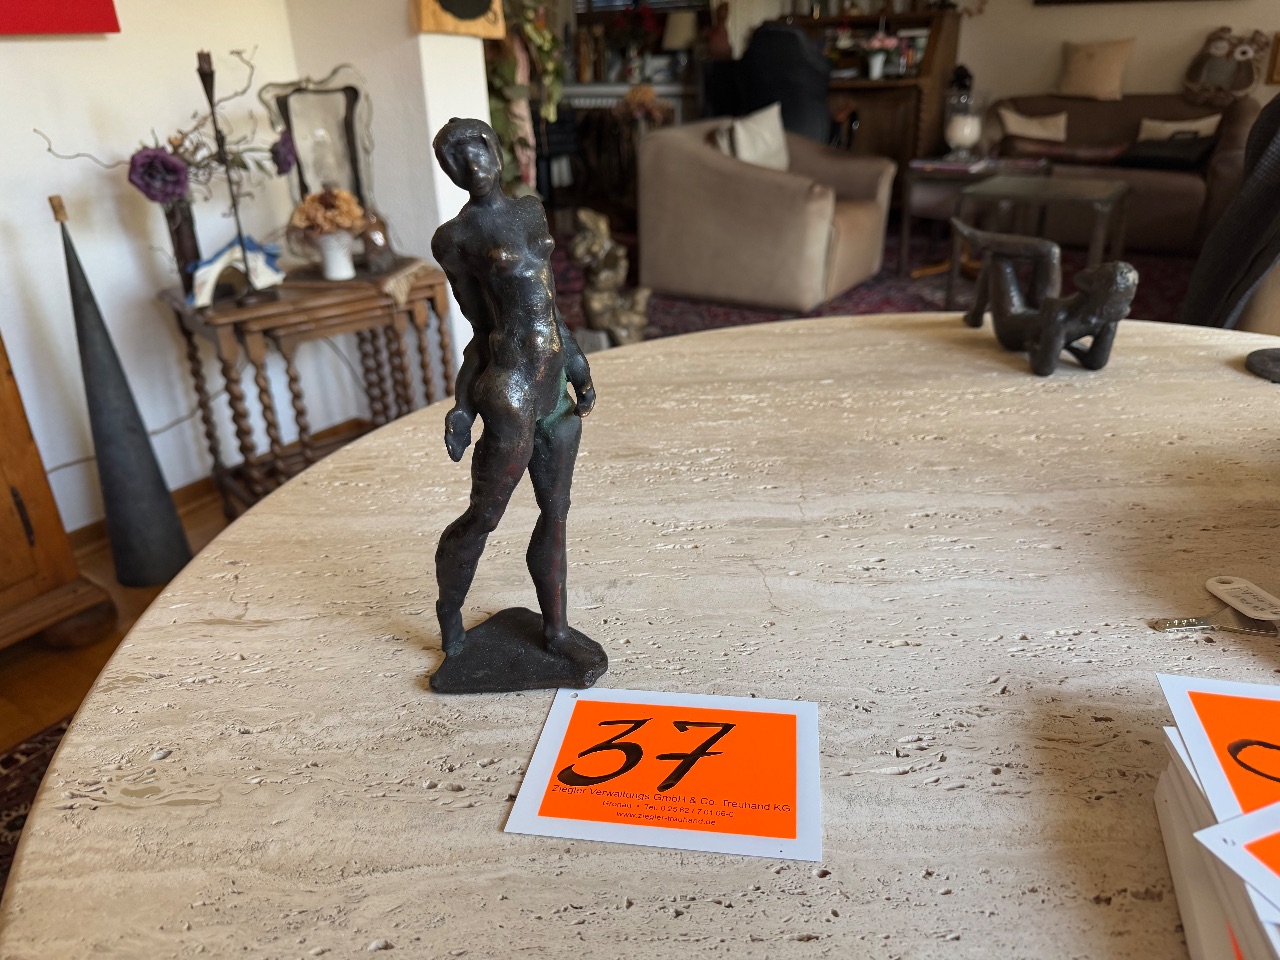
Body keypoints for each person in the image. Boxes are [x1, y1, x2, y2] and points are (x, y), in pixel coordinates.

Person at [430, 117, 597, 664]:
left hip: (553, 381)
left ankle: (556, 632)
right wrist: (462, 405)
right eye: (455, 157)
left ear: (495, 150)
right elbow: (481, 328)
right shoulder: (454, 238)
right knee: (484, 515)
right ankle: (450, 614)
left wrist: (577, 364)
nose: (470, 162)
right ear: (449, 171)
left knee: (556, 512)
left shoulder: (530, 210)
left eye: (477, 147)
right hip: (511, 384)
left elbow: (549, 305)